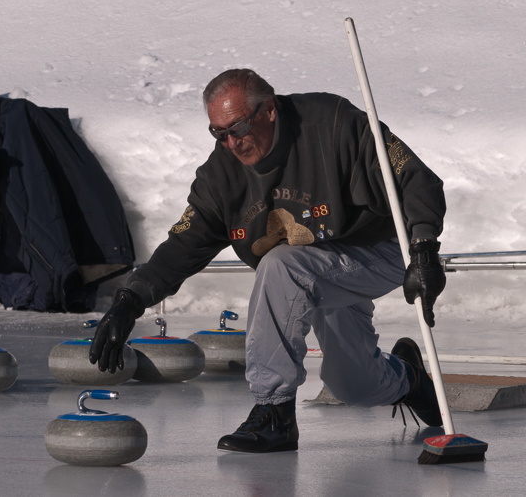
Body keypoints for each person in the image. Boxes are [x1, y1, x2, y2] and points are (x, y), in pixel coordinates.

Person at [89, 68, 447, 453]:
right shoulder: (221, 176)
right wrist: (130, 300)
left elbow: (415, 178)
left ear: (269, 110)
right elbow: (184, 242)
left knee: (281, 265)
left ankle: (274, 412)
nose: (230, 142)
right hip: (314, 269)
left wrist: (424, 247)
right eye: (218, 133)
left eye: (238, 128)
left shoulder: (332, 124)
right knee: (352, 385)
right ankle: (409, 380)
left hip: (380, 248)